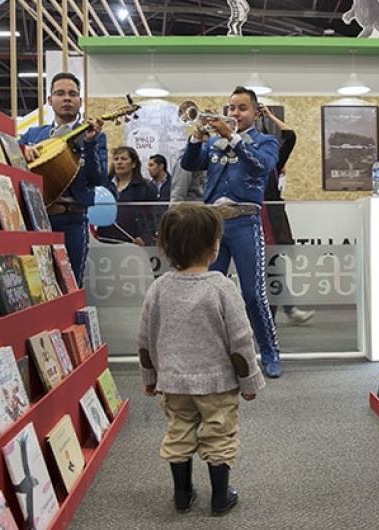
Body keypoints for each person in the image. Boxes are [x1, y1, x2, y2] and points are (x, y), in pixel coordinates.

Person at [138, 203, 265, 516]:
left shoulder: (158, 288)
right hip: (217, 384)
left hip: (174, 383)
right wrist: (249, 383)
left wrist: (149, 379)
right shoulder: (222, 287)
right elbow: (240, 340)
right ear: (215, 246)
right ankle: (220, 497)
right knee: (219, 434)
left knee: (178, 431)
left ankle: (182, 494)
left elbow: (146, 340)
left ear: (165, 246)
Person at [180, 86, 283, 379]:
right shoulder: (214, 143)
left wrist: (232, 137)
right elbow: (189, 163)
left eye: (241, 108)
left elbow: (261, 166)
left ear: (254, 111)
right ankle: (213, 354)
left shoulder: (266, 142)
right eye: (231, 108)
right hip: (213, 224)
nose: (234, 113)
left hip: (245, 222)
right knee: (210, 293)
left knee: (253, 295)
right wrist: (197, 136)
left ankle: (271, 353)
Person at [20, 72, 108, 286]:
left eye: (72, 94)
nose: (66, 98)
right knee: (37, 287)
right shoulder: (33, 135)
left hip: (73, 220)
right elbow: (7, 153)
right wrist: (23, 150)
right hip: (37, 220)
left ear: (80, 101)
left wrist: (90, 143)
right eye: (60, 93)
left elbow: (98, 179)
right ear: (50, 100)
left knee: (71, 285)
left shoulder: (94, 135)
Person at [257, 103, 316, 326]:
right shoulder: (243, 158)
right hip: (250, 222)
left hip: (271, 223)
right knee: (266, 273)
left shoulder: (273, 162)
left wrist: (270, 116)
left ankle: (272, 318)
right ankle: (284, 312)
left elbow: (290, 137)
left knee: (272, 270)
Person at [95, 146, 157, 245]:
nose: (119, 162)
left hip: (135, 243)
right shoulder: (104, 187)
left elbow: (153, 217)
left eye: (123, 159)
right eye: (116, 159)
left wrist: (146, 238)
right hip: (105, 242)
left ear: (133, 164)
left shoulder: (146, 188)